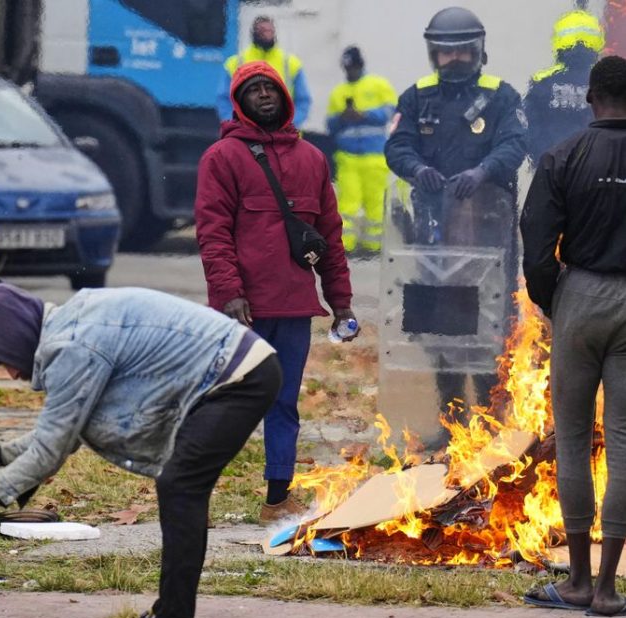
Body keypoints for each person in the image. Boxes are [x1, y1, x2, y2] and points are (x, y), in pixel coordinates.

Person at [0, 283, 282, 618]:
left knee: (180, 486)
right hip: (238, 370)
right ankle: (170, 615)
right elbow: (65, 430)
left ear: (17, 339)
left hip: (239, 377)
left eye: (3, 358)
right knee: (179, 486)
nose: (10, 373)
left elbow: (52, 448)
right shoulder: (72, 326)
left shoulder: (71, 347)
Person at [195, 60, 356, 522]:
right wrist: (229, 293)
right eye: (253, 89)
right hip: (240, 309)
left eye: (270, 88)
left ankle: (277, 498)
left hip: (293, 308)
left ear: (284, 97)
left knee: (283, 403)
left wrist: (340, 301)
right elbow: (213, 233)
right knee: (225, 401)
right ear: (239, 102)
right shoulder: (221, 158)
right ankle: (194, 493)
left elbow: (329, 235)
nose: (264, 95)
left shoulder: (312, 159)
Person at [384, 7, 526, 424]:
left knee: (489, 329)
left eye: (464, 51)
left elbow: (515, 144)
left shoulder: (502, 96)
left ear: (480, 49)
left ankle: (489, 422)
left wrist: (482, 172)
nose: (455, 60)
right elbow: (397, 147)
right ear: (433, 53)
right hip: (432, 234)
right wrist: (417, 169)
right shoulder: (416, 96)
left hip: (488, 233)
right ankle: (451, 427)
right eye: (446, 53)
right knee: (440, 329)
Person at [521, 55, 626, 617]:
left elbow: (536, 238)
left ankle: (579, 581)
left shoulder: (564, 154)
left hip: (580, 294)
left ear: (590, 98)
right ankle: (611, 588)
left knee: (574, 440)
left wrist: (553, 297)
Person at [326, 46, 397, 255]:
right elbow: (330, 124)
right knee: (347, 204)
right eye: (347, 68)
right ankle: (345, 245)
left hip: (374, 156)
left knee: (375, 203)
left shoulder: (378, 85)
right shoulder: (339, 92)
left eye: (353, 67)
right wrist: (342, 117)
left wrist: (363, 115)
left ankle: (373, 246)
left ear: (360, 65)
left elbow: (390, 112)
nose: (350, 72)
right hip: (348, 157)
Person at [524, 9, 604, 166]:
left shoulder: (542, 81)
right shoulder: (605, 81)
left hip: (553, 165)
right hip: (595, 168)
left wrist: (542, 160)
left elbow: (530, 128)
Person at [215, 16, 312, 127]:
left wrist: (289, 123)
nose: (267, 34)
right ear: (254, 33)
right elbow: (223, 99)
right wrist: (235, 124)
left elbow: (303, 100)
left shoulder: (291, 63)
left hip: (285, 136)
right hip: (246, 133)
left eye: (270, 30)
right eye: (263, 30)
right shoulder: (235, 63)